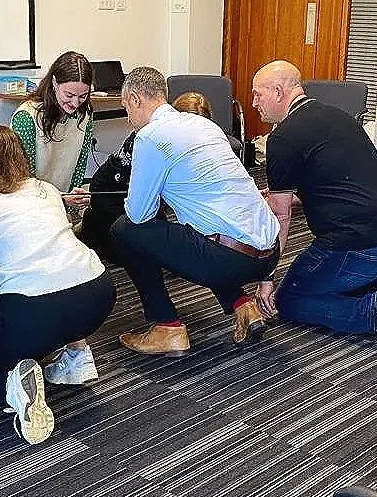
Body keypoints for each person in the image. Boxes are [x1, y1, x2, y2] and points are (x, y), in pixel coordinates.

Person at [251, 61, 377, 361]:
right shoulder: (338, 116)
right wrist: (288, 197)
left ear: (279, 92)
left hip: (359, 245)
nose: (254, 103)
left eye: (258, 95)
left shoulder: (283, 138)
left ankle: (374, 313)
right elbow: (339, 179)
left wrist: (266, 278)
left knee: (292, 298)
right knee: (341, 281)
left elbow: (279, 217)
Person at [0, 126, 116, 444]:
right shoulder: (46, 189)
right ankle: (78, 356)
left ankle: (16, 387)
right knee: (56, 307)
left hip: (34, 309)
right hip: (98, 290)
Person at [111, 67, 279, 356]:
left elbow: (139, 215)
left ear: (136, 99)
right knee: (200, 233)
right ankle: (244, 307)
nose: (128, 118)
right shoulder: (203, 125)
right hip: (270, 254)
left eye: (126, 107)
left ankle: (167, 327)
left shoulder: (150, 136)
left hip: (230, 259)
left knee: (124, 230)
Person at [80, 91, 215, 264]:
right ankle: (89, 220)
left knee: (162, 250)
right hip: (112, 192)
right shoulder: (150, 140)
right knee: (132, 255)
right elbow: (139, 207)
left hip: (145, 196)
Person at [11, 51, 93, 207]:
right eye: (69, 95)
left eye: (83, 96)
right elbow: (24, 181)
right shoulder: (27, 117)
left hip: (63, 203)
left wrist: (73, 197)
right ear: (54, 83)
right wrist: (59, 199)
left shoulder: (85, 114)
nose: (75, 103)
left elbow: (79, 166)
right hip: (32, 205)